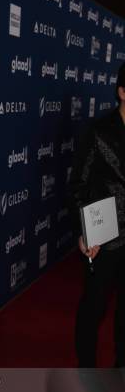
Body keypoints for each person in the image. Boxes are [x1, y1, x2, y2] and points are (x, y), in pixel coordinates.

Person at [67, 62, 125, 368]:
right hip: (106, 236)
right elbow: (79, 185)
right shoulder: (99, 131)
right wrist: (87, 232)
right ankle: (86, 373)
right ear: (122, 92)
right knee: (94, 308)